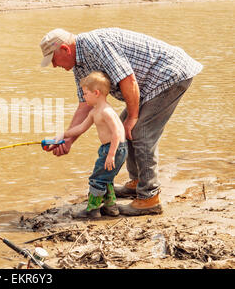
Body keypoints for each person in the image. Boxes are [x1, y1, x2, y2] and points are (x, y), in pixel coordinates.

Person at [40, 27, 203, 216]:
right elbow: (85, 105)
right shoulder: (79, 65)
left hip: (169, 74)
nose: (54, 65)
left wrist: (133, 117)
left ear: (66, 50)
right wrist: (67, 141)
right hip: (147, 85)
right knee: (123, 125)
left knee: (139, 131)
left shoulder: (95, 45)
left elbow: (128, 79)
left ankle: (149, 197)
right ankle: (137, 183)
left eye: (53, 59)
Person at [54, 71, 127, 218]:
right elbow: (80, 128)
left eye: (86, 93)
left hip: (114, 149)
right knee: (105, 178)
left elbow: (117, 133)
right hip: (109, 149)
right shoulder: (94, 112)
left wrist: (111, 154)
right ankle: (111, 207)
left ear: (96, 93)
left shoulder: (106, 111)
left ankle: (92, 210)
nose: (84, 96)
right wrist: (63, 135)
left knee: (97, 179)